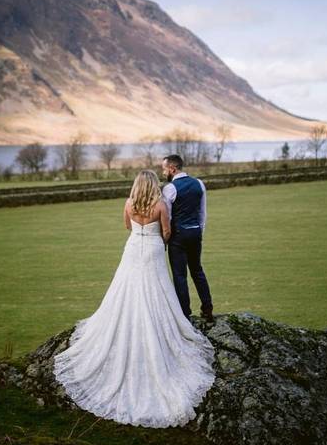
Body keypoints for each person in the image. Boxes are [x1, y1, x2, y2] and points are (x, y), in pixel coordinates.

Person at [52, 170, 215, 428]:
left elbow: (127, 226)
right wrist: (157, 237)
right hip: (151, 250)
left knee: (126, 288)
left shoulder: (128, 203)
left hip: (132, 248)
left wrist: (140, 230)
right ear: (153, 185)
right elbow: (166, 231)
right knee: (156, 289)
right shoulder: (160, 204)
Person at [160, 154, 214, 321]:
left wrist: (165, 239)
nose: (163, 173)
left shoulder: (169, 188)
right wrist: (199, 232)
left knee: (179, 275)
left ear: (172, 168)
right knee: (197, 270)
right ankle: (207, 308)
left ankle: (185, 313)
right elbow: (202, 212)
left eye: (164, 169)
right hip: (195, 232)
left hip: (178, 236)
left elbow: (167, 218)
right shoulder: (199, 183)